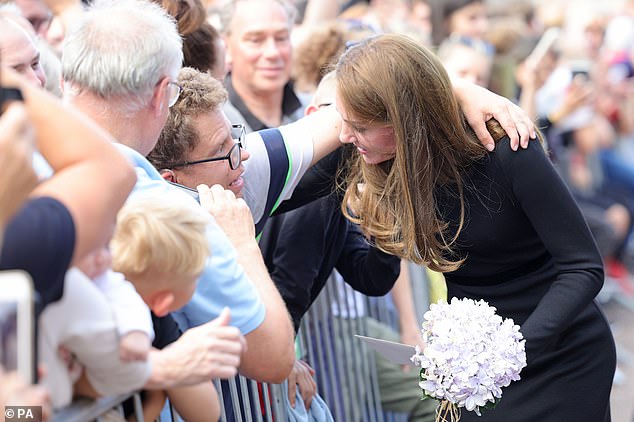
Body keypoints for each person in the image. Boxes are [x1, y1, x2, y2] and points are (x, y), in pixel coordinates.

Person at [333, 33, 615, 421]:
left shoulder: (507, 149)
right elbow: (372, 275)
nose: (346, 136)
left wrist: (514, 355)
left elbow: (583, 268)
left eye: (359, 126)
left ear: (403, 119)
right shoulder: (380, 157)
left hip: (560, 358)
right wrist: (358, 227)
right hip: (475, 373)